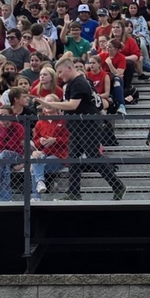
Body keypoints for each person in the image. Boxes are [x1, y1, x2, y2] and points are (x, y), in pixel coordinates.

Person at [48, 57, 125, 201]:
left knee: (93, 156)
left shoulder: (79, 82)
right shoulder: (74, 83)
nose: (59, 75)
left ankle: (117, 185)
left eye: (60, 72)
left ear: (69, 68)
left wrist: (52, 105)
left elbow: (72, 105)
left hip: (88, 125)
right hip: (77, 126)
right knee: (73, 158)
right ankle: (74, 191)